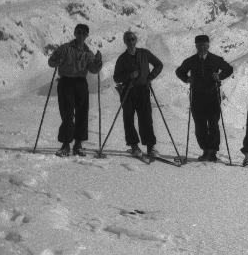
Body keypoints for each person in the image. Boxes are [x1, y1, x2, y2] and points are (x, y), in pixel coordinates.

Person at [175, 34, 234, 162]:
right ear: (196, 46)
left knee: (213, 123)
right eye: (199, 45)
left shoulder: (216, 59)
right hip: (197, 95)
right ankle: (205, 150)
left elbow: (229, 69)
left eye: (204, 45)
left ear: (208, 45)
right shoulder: (191, 60)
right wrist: (186, 79)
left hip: (213, 95)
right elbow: (179, 71)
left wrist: (219, 76)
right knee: (200, 124)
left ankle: (212, 152)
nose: (202, 47)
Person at [48, 24, 103, 157]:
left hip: (81, 83)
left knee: (82, 113)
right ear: (74, 33)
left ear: (87, 35)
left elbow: (93, 70)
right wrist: (56, 57)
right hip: (66, 82)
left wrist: (98, 62)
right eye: (79, 32)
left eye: (84, 33)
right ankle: (66, 144)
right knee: (67, 113)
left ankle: (78, 144)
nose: (81, 35)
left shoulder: (88, 52)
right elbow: (51, 63)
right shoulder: (65, 48)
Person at [112, 31, 164, 158]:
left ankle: (150, 146)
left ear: (136, 40)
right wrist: (129, 75)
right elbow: (116, 77)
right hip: (128, 91)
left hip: (143, 90)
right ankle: (134, 145)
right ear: (124, 42)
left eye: (132, 39)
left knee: (146, 118)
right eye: (128, 40)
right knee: (129, 118)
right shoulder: (122, 58)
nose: (131, 41)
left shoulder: (144, 53)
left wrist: (150, 77)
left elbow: (159, 64)